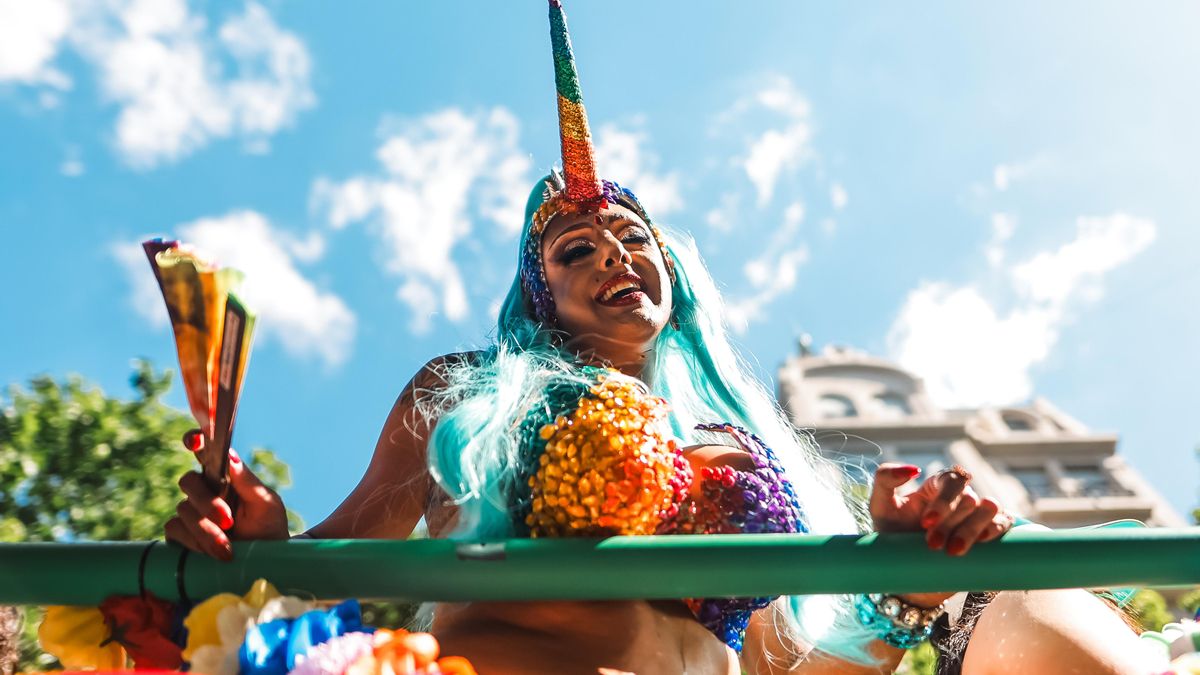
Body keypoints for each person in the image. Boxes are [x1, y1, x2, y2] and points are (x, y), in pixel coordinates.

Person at [166, 2, 1151, 673]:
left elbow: (796, 661)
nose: (612, 257)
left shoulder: (748, 450)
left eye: (634, 238)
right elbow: (331, 561)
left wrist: (890, 588)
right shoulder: (463, 394)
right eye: (574, 249)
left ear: (673, 271)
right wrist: (258, 544)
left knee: (1039, 603)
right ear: (537, 295)